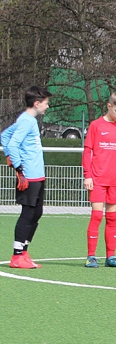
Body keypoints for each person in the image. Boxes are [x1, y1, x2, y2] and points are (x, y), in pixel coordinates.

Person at [1, 85, 51, 268]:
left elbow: (4, 136)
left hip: (38, 175)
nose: (47, 106)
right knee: (28, 213)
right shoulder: (26, 121)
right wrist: (18, 167)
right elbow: (13, 143)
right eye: (46, 103)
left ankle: (24, 251)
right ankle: (16, 256)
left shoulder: (28, 120)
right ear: (37, 103)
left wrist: (9, 154)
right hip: (28, 175)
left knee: (37, 212)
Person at [83, 90, 116, 268]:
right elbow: (88, 152)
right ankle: (91, 257)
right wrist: (87, 175)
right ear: (109, 106)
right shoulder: (96, 126)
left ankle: (111, 256)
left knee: (112, 218)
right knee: (97, 216)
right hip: (98, 179)